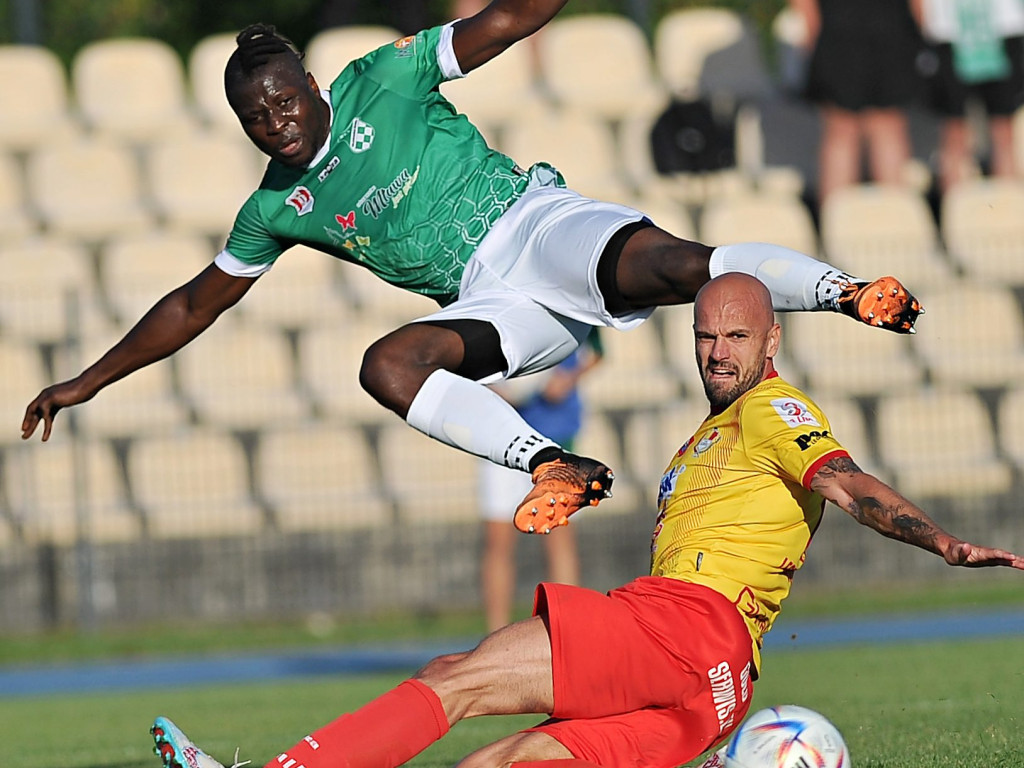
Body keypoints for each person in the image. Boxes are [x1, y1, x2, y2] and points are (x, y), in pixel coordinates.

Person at [21, 1, 923, 532]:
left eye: (284, 102)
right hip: (496, 303)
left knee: (683, 265)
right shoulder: (275, 208)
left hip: (534, 225)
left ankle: (846, 292)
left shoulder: (383, 77)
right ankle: (554, 467)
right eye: (256, 119)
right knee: (386, 366)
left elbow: (505, 19)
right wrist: (85, 382)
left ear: (312, 87)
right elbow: (193, 304)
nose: (276, 124)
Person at [148, 273, 1020, 768]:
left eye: (736, 338)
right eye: (706, 336)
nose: (718, 352)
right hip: (717, 698)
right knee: (506, 763)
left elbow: (845, 483)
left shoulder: (773, 411)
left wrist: (937, 540)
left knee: (459, 676)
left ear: (772, 342)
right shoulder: (702, 442)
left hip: (687, 628)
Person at [479, 331, 601, 631]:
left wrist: (567, 379)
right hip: (500, 438)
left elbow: (597, 350)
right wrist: (489, 387)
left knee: (558, 535)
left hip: (554, 435)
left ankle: (568, 628)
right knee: (498, 540)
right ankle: (495, 633)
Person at [789, 0, 924, 204]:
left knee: (872, 129)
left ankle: (889, 216)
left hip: (856, 29)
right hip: (863, 29)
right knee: (856, 130)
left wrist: (812, 32)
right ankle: (844, 217)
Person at [912, 0, 1024, 193]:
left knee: (1003, 129)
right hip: (949, 35)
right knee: (955, 131)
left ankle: (1007, 204)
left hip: (1001, 32)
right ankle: (955, 205)